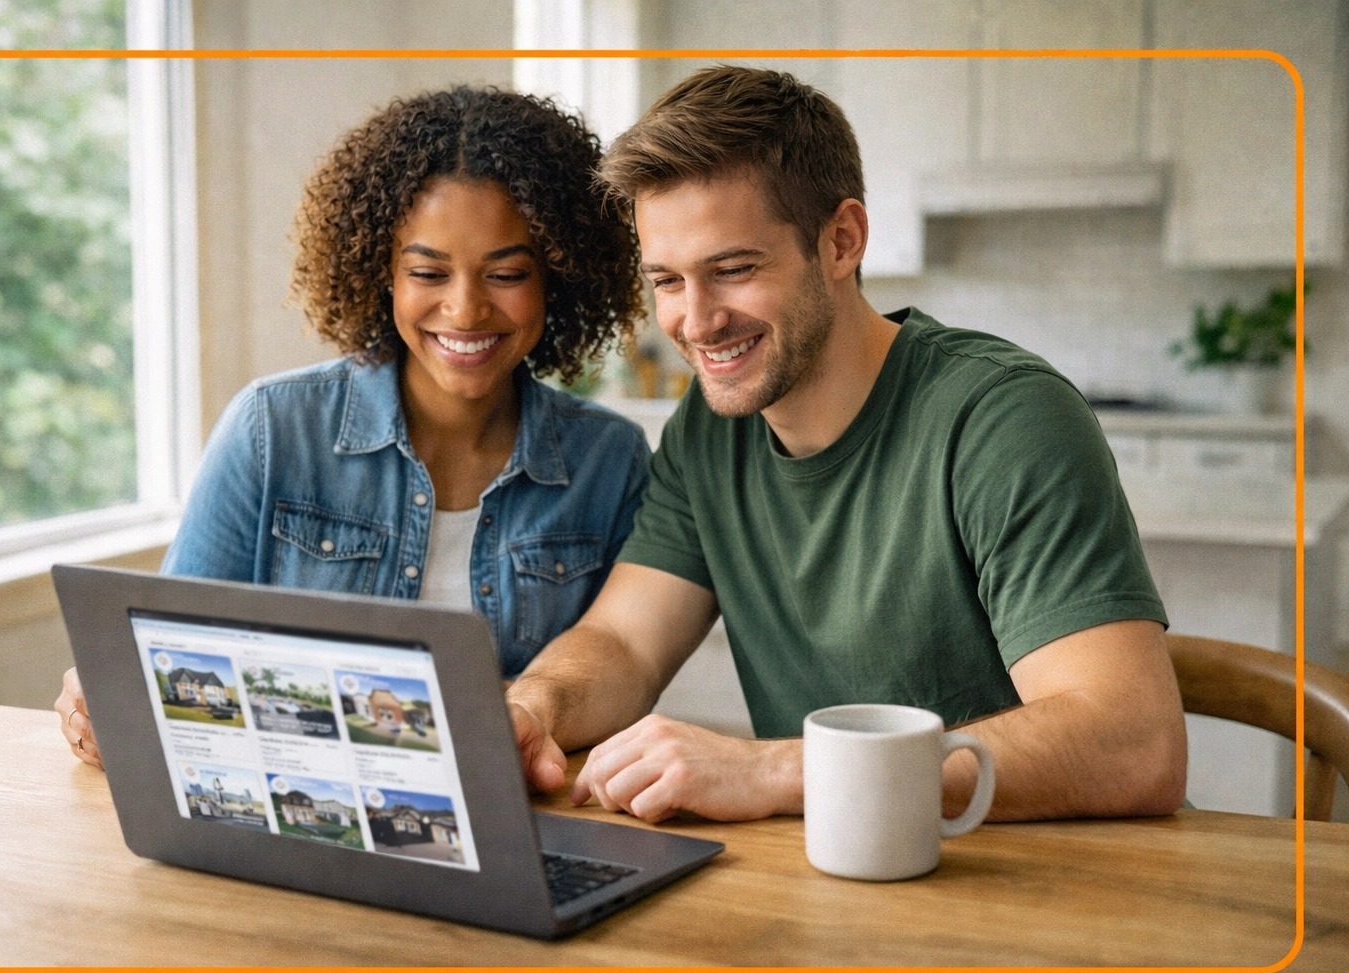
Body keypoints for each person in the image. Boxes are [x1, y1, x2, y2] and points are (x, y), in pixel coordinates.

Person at [506, 66, 1188, 824]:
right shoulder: (710, 429)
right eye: (667, 281)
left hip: (1049, 884)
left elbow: (1132, 744)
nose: (695, 322)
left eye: (732, 270)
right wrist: (535, 707)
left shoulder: (1003, 418)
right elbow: (624, 642)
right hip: (846, 877)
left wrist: (778, 769)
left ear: (841, 240)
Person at [57, 86, 650, 767]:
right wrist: (107, 696)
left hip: (523, 818)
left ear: (560, 278)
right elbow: (173, 653)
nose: (465, 309)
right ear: (380, 275)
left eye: (507, 273)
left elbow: (616, 681)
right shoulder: (273, 428)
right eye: (428, 271)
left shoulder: (608, 459)